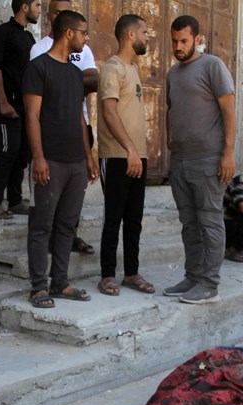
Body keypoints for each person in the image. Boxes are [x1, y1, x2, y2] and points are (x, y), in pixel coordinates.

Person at [22, 9, 98, 308]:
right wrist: (38, 157)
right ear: (69, 33)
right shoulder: (38, 68)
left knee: (67, 225)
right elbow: (31, 115)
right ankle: (39, 287)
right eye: (83, 32)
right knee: (42, 224)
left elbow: (80, 118)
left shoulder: (75, 73)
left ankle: (60, 282)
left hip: (76, 161)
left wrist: (89, 156)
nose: (86, 37)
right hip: (50, 160)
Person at [163, 15, 236, 304]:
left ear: (197, 38)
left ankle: (209, 284)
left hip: (208, 160)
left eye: (183, 40)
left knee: (209, 221)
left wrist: (227, 154)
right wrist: (170, 142)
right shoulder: (173, 73)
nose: (178, 46)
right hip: (180, 160)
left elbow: (229, 111)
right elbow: (170, 110)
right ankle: (193, 277)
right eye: (174, 41)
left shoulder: (212, 66)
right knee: (189, 223)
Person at [95, 14, 152, 297]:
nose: (147, 37)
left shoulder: (133, 69)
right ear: (130, 35)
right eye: (144, 32)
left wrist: (139, 153)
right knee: (113, 217)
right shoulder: (112, 68)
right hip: (117, 155)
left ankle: (131, 273)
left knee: (134, 219)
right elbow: (108, 112)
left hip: (136, 156)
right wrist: (129, 149)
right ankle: (107, 275)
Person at [0, 0, 38, 220]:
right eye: (37, 5)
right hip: (8, 103)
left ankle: (15, 201)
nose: (39, 10)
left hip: (27, 106)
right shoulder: (1, 33)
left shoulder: (29, 38)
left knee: (24, 152)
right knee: (9, 150)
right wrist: (3, 102)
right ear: (24, 7)